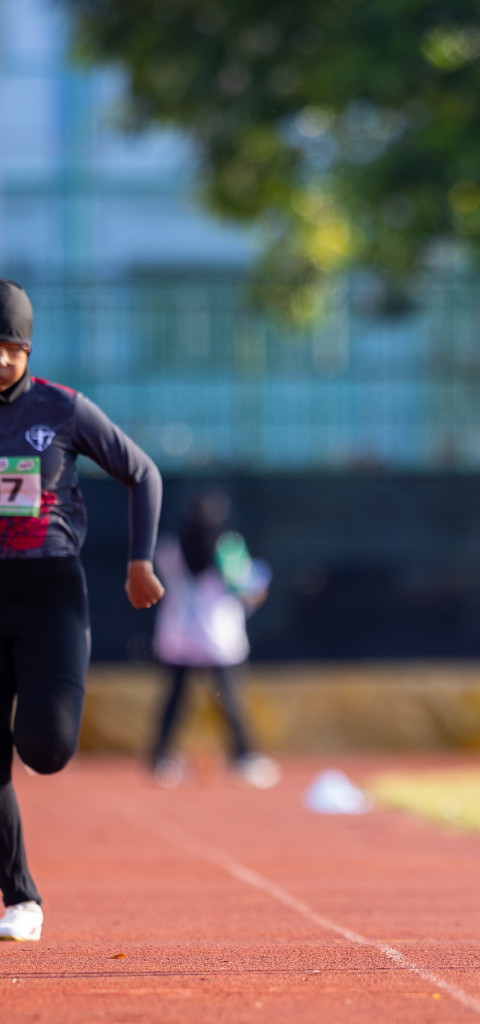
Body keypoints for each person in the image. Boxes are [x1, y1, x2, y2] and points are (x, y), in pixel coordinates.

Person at [0, 279, 164, 942]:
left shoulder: (61, 409)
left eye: (9, 347)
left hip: (50, 594)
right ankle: (21, 899)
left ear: (27, 349)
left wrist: (139, 561)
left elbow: (143, 472)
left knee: (45, 749)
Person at [148, 490, 278, 789]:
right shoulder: (228, 546)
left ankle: (160, 759)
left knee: (174, 700)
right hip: (218, 636)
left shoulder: (169, 543)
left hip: (178, 634)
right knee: (230, 701)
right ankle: (244, 758)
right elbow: (248, 593)